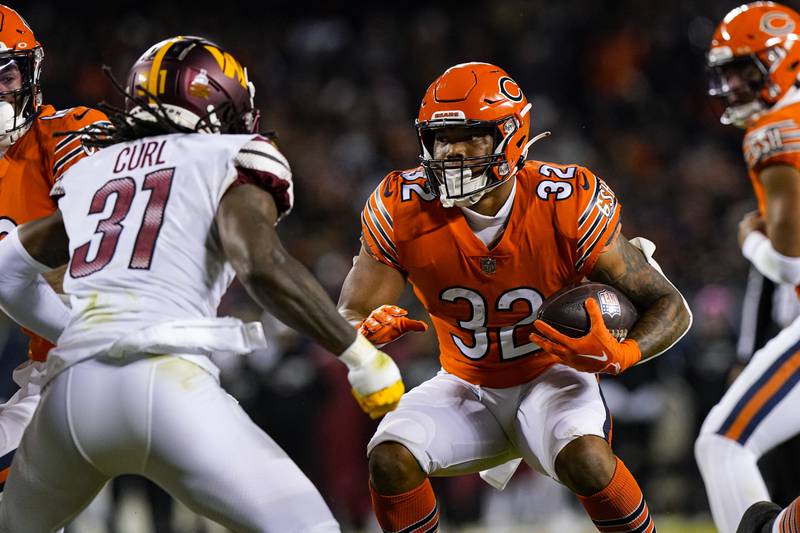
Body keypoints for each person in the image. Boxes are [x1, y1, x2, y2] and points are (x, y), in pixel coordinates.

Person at [0, 35, 404, 532]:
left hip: (70, 393)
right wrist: (363, 359)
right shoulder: (230, 154)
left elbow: (6, 271)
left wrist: (78, 330)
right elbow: (260, 263)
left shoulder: (96, 170)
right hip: (167, 383)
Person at [337, 62, 691, 533]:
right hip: (465, 384)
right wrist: (363, 331)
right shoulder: (402, 204)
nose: (452, 152)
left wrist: (624, 353)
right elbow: (350, 312)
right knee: (389, 458)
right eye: (441, 138)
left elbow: (671, 307)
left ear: (511, 137)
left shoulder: (564, 202)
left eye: (470, 136)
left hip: (551, 377)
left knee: (588, 460)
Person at [695, 3, 800, 532]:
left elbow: (787, 261)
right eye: (728, 72)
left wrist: (749, 239)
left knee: (723, 442)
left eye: (744, 69)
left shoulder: (776, 130)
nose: (733, 84)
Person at [0, 4, 110, 487]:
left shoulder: (65, 130)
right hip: (55, 367)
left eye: (3, 75)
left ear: (30, 72)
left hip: (119, 348)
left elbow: (95, 252)